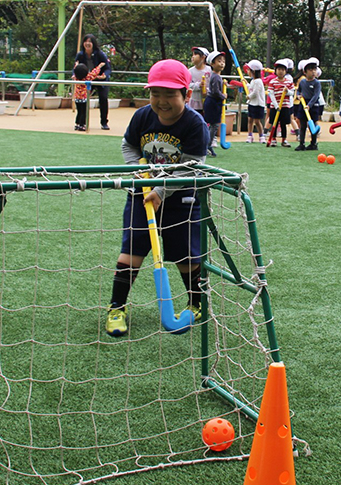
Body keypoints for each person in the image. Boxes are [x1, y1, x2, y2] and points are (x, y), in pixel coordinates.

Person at [105, 59, 209, 337]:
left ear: (186, 95)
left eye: (170, 94)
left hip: (181, 200)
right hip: (142, 196)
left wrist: (162, 190)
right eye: (155, 93)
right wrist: (135, 172)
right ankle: (116, 307)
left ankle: (195, 303)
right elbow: (128, 144)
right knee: (132, 251)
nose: (161, 101)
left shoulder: (195, 124)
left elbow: (192, 164)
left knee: (186, 256)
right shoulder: (142, 116)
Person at [74, 34, 112, 129]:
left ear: (93, 44)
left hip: (99, 80)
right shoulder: (80, 55)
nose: (87, 44)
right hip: (86, 80)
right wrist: (75, 75)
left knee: (103, 98)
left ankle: (104, 122)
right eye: (85, 41)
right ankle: (81, 122)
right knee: (82, 100)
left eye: (90, 42)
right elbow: (76, 68)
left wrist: (104, 75)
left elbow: (108, 68)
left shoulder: (100, 54)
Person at [202, 50, 227, 157]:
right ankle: (207, 145)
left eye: (223, 61)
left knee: (212, 125)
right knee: (214, 125)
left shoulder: (216, 76)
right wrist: (223, 96)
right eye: (219, 61)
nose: (222, 63)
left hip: (212, 102)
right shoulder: (216, 76)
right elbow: (216, 92)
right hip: (213, 103)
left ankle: (207, 144)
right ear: (212, 64)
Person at [295, 59, 322, 151]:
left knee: (312, 126)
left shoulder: (317, 83)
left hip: (313, 106)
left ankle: (313, 144)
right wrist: (298, 95)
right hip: (303, 104)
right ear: (305, 72)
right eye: (310, 70)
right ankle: (301, 144)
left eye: (314, 69)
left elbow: (316, 96)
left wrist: (309, 105)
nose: (313, 72)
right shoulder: (302, 82)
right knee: (303, 125)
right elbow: (299, 90)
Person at [266, 59, 294, 147]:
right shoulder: (273, 82)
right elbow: (271, 93)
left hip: (285, 106)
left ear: (286, 71)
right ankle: (273, 139)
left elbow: (292, 93)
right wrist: (276, 105)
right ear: (275, 71)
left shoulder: (288, 82)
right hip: (275, 106)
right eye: (279, 69)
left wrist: (287, 91)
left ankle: (284, 140)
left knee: (283, 123)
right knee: (274, 122)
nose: (280, 71)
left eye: (282, 69)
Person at [72, 61, 104, 131]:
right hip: (84, 98)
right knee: (84, 112)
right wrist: (99, 66)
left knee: (79, 111)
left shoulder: (76, 78)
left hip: (77, 98)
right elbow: (94, 73)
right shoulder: (87, 78)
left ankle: (77, 123)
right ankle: (82, 124)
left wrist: (76, 65)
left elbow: (76, 71)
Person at [244, 59, 266, 143]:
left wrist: (248, 96)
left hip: (258, 104)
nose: (247, 72)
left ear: (253, 71)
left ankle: (261, 136)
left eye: (249, 70)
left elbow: (255, 93)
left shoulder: (258, 81)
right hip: (252, 104)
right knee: (250, 120)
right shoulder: (253, 81)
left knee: (257, 121)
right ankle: (250, 135)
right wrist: (246, 84)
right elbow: (251, 88)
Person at [187, 46, 211, 112]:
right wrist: (198, 85)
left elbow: (213, 85)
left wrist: (206, 91)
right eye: (192, 55)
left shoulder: (210, 70)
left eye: (195, 54)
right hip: (194, 103)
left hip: (207, 101)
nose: (193, 57)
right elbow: (188, 85)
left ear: (203, 57)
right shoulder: (190, 71)